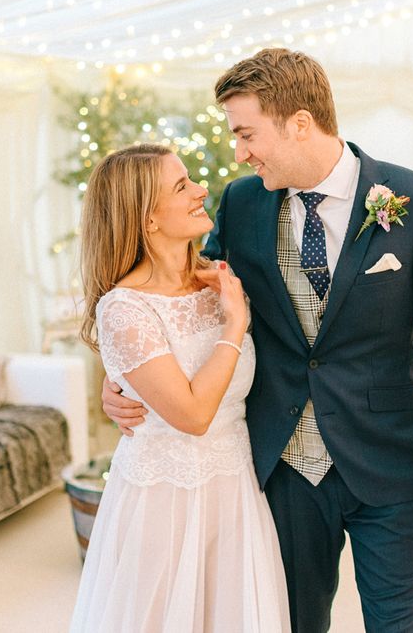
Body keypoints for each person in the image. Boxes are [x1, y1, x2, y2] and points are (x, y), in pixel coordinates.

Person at [102, 49, 413, 632]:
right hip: (282, 472)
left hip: (387, 468)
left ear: (300, 124)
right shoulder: (241, 202)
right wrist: (122, 376)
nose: (237, 153)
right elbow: (179, 299)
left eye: (246, 134)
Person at [69, 144, 291, 633]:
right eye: (181, 186)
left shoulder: (220, 281)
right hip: (163, 504)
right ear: (147, 219)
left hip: (234, 492)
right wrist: (234, 327)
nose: (201, 189)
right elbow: (192, 416)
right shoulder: (125, 309)